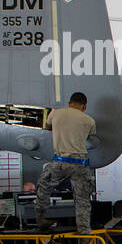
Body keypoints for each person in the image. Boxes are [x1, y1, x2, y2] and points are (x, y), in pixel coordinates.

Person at [35, 91, 97, 235]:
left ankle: (41, 218)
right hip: (80, 163)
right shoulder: (89, 120)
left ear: (69, 103)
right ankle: (84, 236)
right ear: (84, 106)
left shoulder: (56, 113)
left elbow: (48, 127)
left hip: (59, 162)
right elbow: (91, 137)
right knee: (82, 200)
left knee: (43, 186)